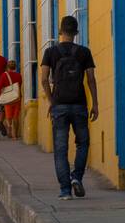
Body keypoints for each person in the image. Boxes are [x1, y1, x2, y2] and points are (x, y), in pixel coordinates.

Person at [41, 15, 98, 200]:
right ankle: (76, 177)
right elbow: (90, 79)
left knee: (60, 148)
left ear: (60, 31)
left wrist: (51, 101)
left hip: (59, 106)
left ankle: (65, 190)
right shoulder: (84, 52)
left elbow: (43, 79)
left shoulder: (50, 52)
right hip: (79, 104)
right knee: (83, 143)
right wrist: (95, 104)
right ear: (76, 33)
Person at [0, 59, 24, 140]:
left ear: (7, 67)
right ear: (15, 67)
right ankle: (14, 134)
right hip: (17, 97)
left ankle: (10, 131)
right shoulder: (19, 75)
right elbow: (20, 84)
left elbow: (0, 86)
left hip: (8, 98)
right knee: (16, 116)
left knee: (9, 116)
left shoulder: (4, 75)